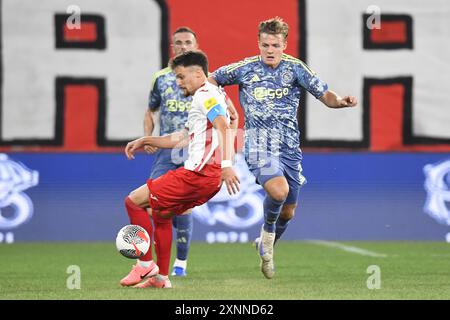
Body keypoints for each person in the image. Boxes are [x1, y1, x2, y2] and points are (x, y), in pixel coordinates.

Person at [209, 17, 357, 279]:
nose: (269, 50)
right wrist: (222, 105)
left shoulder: (295, 69)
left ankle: (265, 244)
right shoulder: (245, 69)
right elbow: (211, 80)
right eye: (265, 44)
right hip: (258, 145)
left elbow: (325, 95)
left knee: (288, 212)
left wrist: (341, 101)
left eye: (275, 45)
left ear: (284, 45)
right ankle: (267, 235)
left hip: (289, 149)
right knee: (279, 190)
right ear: (258, 43)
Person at [120, 50, 240, 289]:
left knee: (133, 202)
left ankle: (145, 265)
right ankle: (161, 278)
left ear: (198, 74)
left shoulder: (205, 95)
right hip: (208, 179)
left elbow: (224, 127)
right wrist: (147, 140)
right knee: (162, 217)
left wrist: (227, 166)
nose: (178, 82)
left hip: (198, 175)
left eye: (181, 76)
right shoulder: (211, 94)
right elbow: (183, 138)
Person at [144, 27, 199, 277]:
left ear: (196, 46)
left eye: (188, 42)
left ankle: (181, 264)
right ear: (172, 47)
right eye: (178, 42)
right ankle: (150, 263)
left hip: (194, 149)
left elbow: (227, 111)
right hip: (166, 151)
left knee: (184, 207)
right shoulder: (161, 78)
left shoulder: (202, 78)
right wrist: (149, 137)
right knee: (155, 204)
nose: (183, 46)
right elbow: (151, 110)